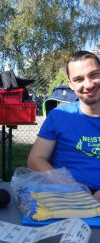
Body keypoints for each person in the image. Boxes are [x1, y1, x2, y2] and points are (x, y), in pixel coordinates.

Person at [27, 50, 100, 200]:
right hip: (67, 196)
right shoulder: (59, 116)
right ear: (71, 84)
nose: (89, 84)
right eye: (79, 79)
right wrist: (71, 187)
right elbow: (35, 160)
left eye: (94, 75)